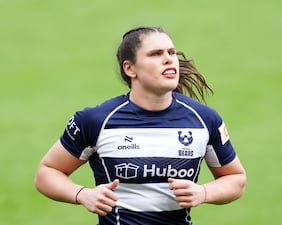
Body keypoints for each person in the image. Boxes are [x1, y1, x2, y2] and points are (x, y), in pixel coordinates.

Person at [34, 26, 246, 225]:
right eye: (156, 54)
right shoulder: (96, 121)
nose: (169, 60)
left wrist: (204, 192)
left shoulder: (204, 120)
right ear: (130, 68)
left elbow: (235, 178)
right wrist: (83, 195)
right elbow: (47, 173)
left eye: (171, 52)